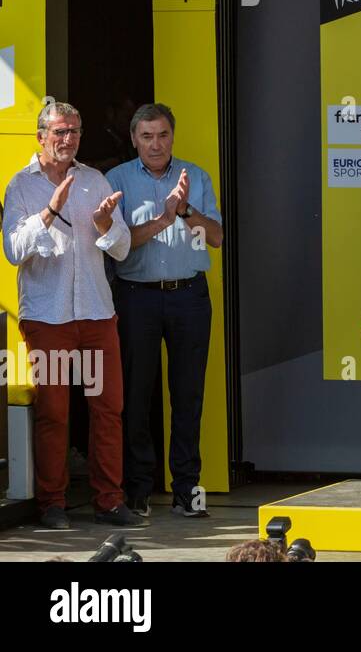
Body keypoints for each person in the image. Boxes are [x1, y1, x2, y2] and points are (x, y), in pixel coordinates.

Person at [1, 102, 142, 529]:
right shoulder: (21, 186)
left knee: (107, 409)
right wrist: (50, 210)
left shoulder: (94, 180)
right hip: (48, 315)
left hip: (97, 313)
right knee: (54, 412)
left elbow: (120, 248)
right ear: (41, 136)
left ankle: (109, 501)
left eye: (75, 131)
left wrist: (104, 225)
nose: (68, 139)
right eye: (60, 132)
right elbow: (13, 251)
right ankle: (53, 504)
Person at [106, 103, 223, 518]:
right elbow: (117, 246)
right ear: (134, 138)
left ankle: (186, 490)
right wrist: (162, 219)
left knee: (188, 394)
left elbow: (216, 238)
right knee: (137, 394)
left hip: (189, 296)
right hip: (137, 297)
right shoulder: (115, 180)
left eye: (163, 135)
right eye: (146, 136)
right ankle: (138, 489)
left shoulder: (197, 177)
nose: (156, 145)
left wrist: (187, 209)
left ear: (173, 136)